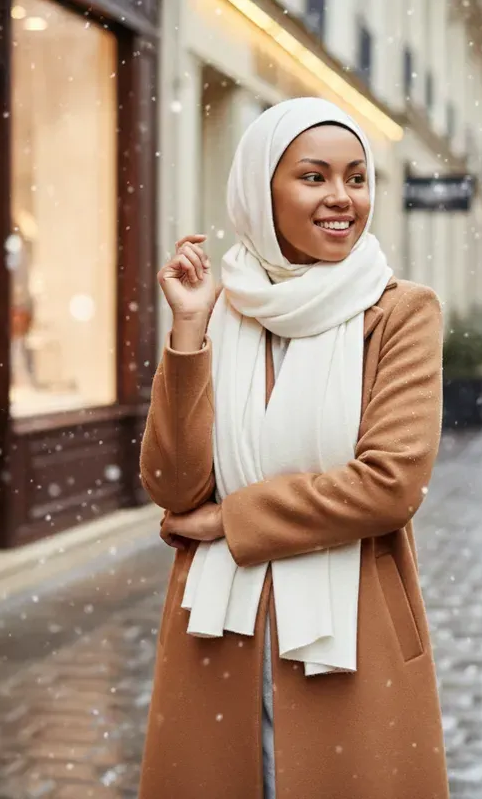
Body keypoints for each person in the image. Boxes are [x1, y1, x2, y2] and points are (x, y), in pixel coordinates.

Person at [137, 98, 449, 799]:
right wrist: (187, 332)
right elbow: (172, 484)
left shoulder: (399, 312)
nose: (342, 197)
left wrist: (231, 519)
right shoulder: (220, 309)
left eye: (356, 177)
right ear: (261, 189)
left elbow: (389, 486)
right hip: (218, 635)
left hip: (354, 630)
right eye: (314, 177)